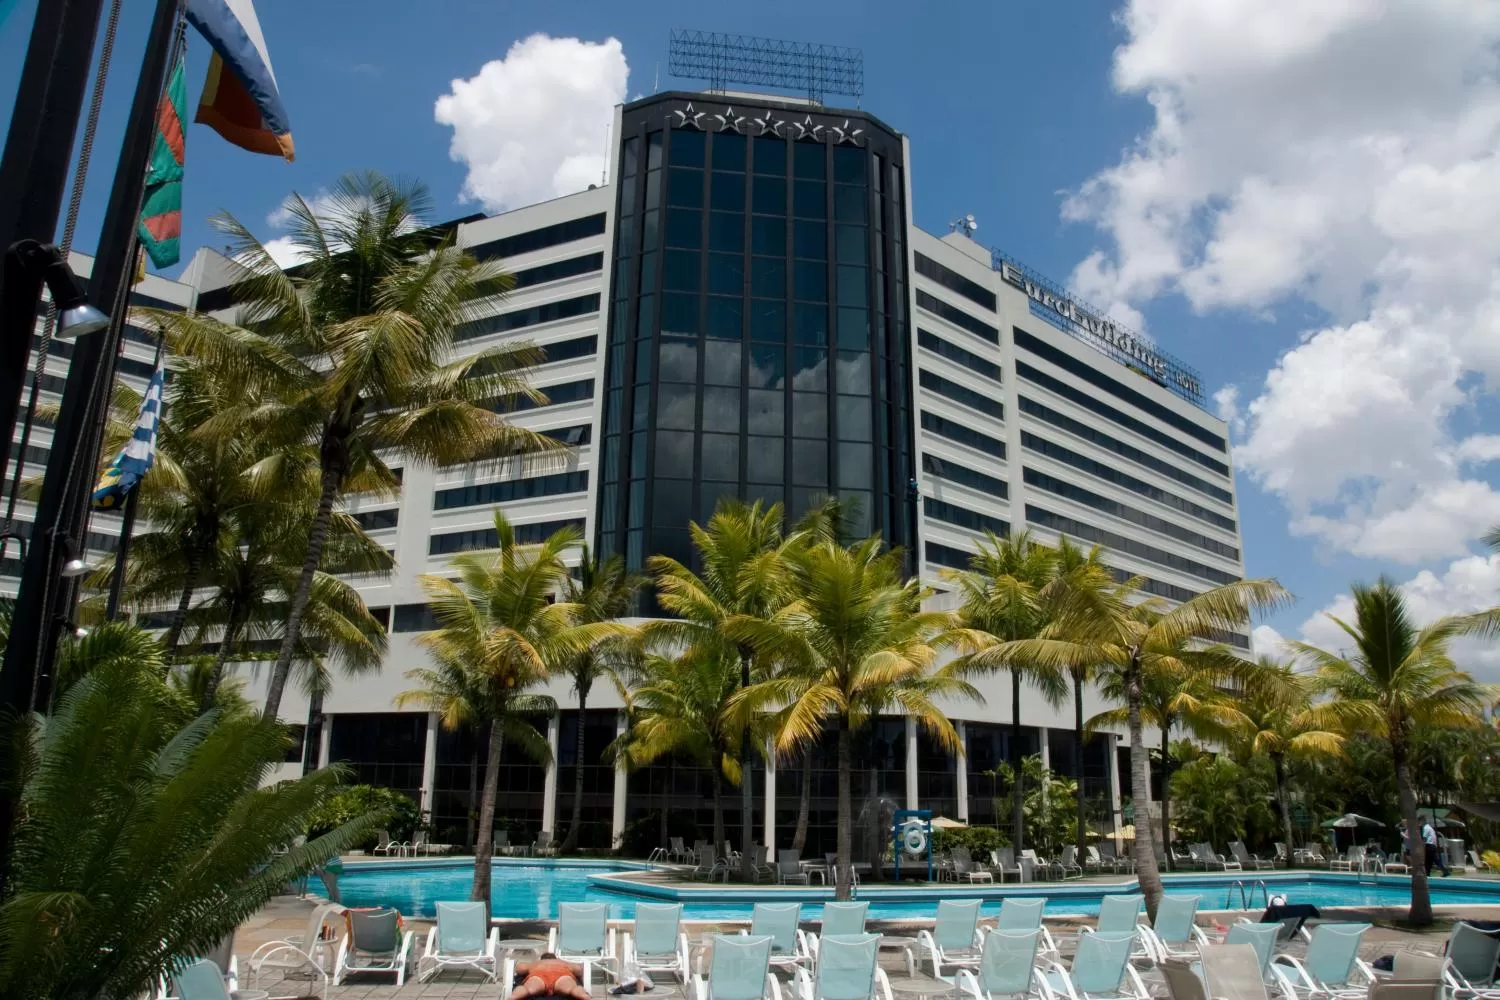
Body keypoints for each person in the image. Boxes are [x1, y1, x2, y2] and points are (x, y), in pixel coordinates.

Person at [510, 953, 591, 1000]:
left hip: (539, 975)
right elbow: (578, 970)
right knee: (572, 989)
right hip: (561, 975)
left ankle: (513, 997)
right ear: (555, 958)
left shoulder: (537, 963)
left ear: (541, 959)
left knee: (527, 989)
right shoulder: (562, 962)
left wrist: (526, 966)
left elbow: (520, 969)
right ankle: (584, 996)